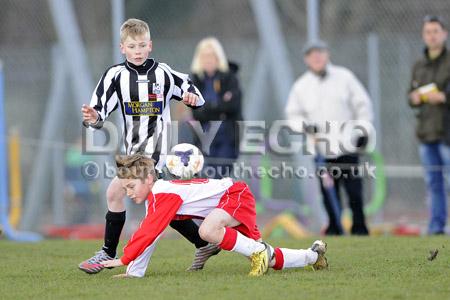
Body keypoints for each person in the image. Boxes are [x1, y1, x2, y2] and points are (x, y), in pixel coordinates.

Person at [78, 18, 219, 274]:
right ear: (123, 48)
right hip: (131, 153)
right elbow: (99, 111)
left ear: (150, 45)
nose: (138, 50)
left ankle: (119, 260)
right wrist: (93, 118)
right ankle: (204, 241)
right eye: (132, 46)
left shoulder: (163, 72)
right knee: (156, 205)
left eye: (142, 45)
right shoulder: (114, 75)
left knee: (143, 204)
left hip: (158, 152)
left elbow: (193, 92)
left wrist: (191, 98)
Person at [99, 154, 328, 278]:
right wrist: (134, 273)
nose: (128, 193)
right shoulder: (156, 198)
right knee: (270, 257)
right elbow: (150, 236)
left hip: (234, 195)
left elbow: (149, 232)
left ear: (148, 179)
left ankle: (259, 253)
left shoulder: (162, 192)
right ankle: (313, 256)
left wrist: (124, 258)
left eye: (130, 186)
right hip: (229, 203)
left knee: (207, 231)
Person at [285, 40, 373, 235]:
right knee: (328, 192)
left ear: (327, 54)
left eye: (320, 53)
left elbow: (363, 105)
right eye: (311, 54)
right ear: (306, 59)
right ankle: (335, 227)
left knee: (354, 191)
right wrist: (306, 126)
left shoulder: (345, 78)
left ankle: (360, 228)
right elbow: (293, 115)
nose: (316, 57)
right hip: (320, 150)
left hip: (347, 146)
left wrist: (362, 131)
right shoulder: (301, 86)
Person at [409, 15, 450, 235]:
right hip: (426, 134)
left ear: (444, 34)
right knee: (433, 184)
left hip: (447, 133)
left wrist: (444, 97)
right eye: (428, 32)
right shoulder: (418, 65)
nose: (432, 35)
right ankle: (436, 227)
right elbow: (410, 95)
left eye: (436, 31)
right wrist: (414, 98)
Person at [190, 37, 242, 178]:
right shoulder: (195, 81)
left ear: (218, 57)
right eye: (204, 56)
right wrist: (219, 107)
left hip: (227, 138)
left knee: (220, 178)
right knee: (204, 178)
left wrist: (207, 107)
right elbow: (197, 113)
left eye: (211, 55)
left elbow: (232, 106)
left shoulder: (230, 78)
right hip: (204, 138)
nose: (208, 60)